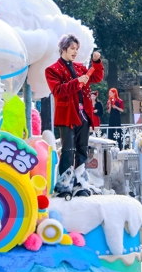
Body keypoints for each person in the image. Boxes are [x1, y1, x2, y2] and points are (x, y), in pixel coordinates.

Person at [44, 34, 104, 191]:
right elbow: (57, 90)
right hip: (67, 115)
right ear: (63, 49)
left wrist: (96, 62)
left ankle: (80, 182)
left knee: (82, 149)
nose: (75, 51)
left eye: (77, 48)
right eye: (72, 48)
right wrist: (77, 82)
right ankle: (64, 183)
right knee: (68, 150)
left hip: (84, 115)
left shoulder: (80, 68)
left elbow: (97, 77)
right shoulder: (52, 70)